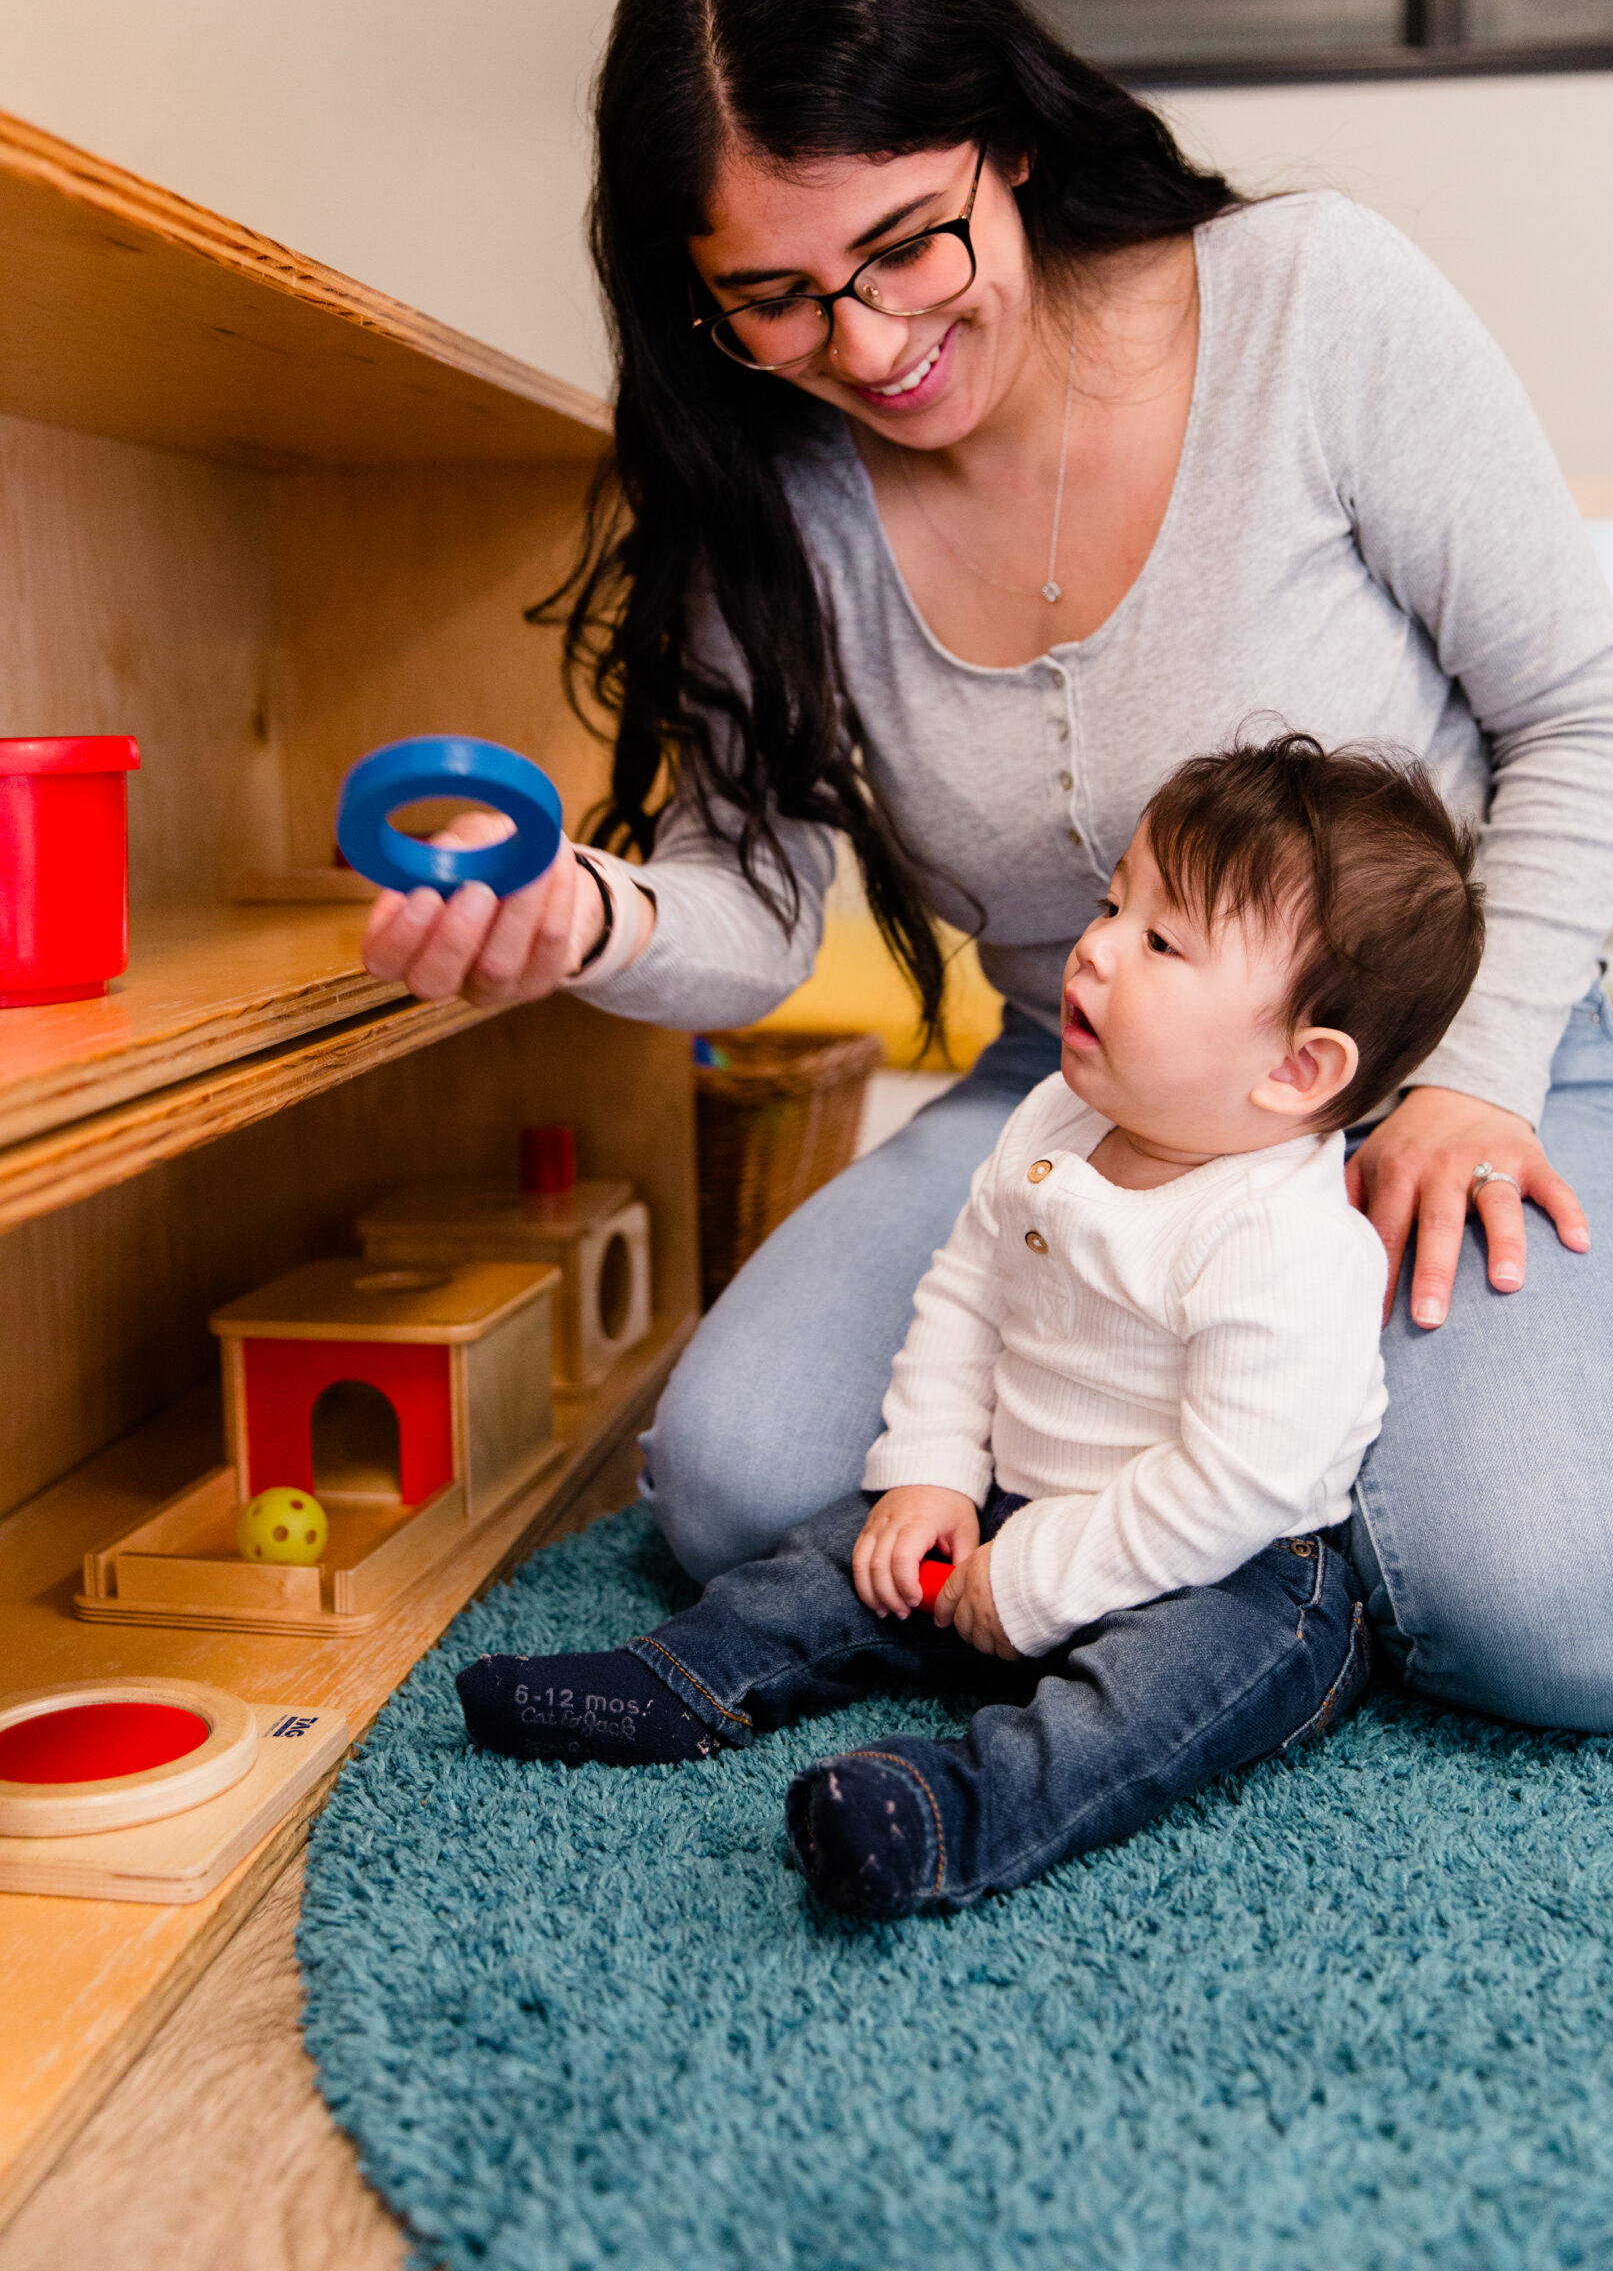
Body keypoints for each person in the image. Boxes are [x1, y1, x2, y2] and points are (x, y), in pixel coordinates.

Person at [364, 0, 1613, 1736]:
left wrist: (1473, 1076)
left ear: (1000, 138)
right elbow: (747, 913)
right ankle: (1226, 1489)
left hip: (1442, 1058)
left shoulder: (1310, 302)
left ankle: (1269, 1498)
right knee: (736, 1481)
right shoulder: (775, 489)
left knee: (1565, 1622)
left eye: (907, 243)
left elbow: (1577, 712)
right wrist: (590, 916)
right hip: (1078, 1096)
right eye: (771, 294)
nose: (864, 340)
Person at [456, 738, 1483, 1918]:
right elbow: (965, 1299)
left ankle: (950, 1813)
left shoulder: (1288, 1243)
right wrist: (933, 1478)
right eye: (1113, 904)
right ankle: (679, 1679)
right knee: (831, 1557)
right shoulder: (1055, 1113)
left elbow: (1234, 1485)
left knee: (1156, 1700)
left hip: (1228, 1570)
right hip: (1011, 1505)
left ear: (1298, 1068)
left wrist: (1040, 1577)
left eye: (1160, 941)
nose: (1094, 946)